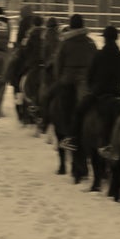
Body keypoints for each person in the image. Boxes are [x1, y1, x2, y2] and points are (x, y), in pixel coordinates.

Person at [63, 25, 120, 152]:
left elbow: (90, 75)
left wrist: (92, 87)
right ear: (116, 39)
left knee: (79, 110)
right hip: (117, 93)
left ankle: (73, 138)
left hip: (99, 93)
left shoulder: (98, 55)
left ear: (105, 39)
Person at [45, 14, 97, 150]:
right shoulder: (91, 43)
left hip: (67, 79)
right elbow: (95, 63)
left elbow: (58, 64)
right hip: (86, 82)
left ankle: (44, 121)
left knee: (48, 96)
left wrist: (58, 79)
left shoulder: (65, 43)